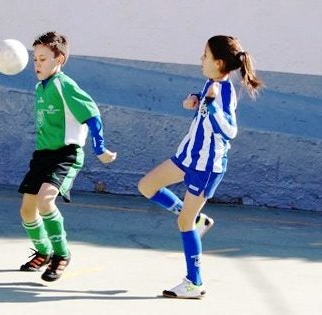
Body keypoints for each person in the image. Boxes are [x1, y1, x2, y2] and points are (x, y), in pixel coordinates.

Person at [138, 35, 263, 298]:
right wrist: (196, 99)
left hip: (206, 167)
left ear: (218, 62)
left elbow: (230, 131)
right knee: (147, 186)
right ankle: (198, 219)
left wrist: (210, 105)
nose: (200, 59)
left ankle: (194, 283)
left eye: (204, 56)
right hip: (187, 157)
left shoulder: (224, 92)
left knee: (184, 223)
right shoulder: (212, 83)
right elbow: (205, 108)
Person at [18, 31, 117, 282]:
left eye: (43, 58)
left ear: (59, 59)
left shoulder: (64, 85)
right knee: (27, 212)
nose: (37, 64)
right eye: (35, 59)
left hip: (66, 155)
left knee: (45, 200)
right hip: (42, 155)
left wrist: (100, 148)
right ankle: (44, 251)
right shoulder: (40, 87)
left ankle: (62, 254)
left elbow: (92, 115)